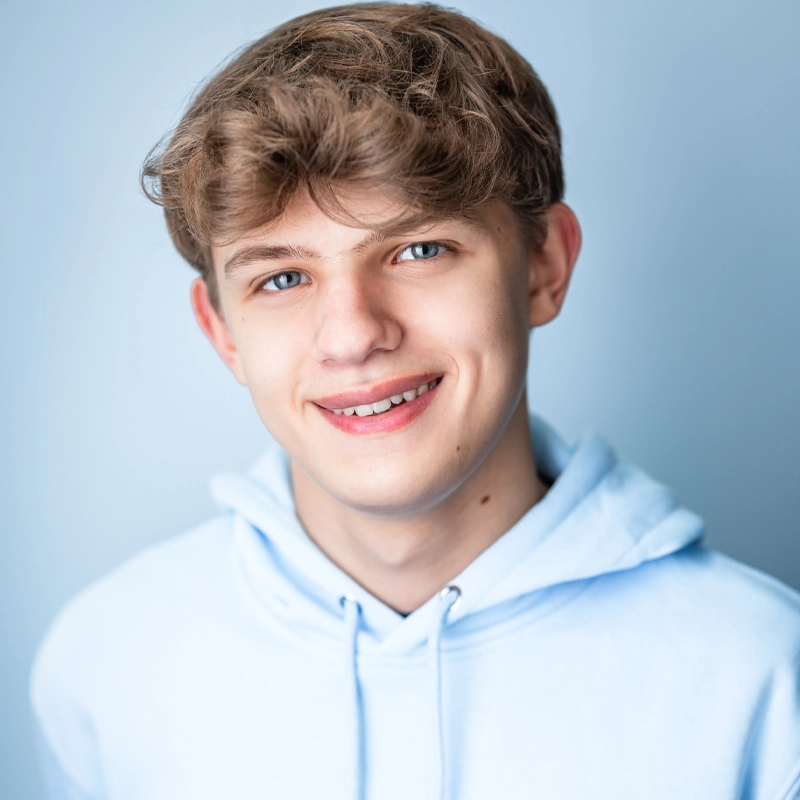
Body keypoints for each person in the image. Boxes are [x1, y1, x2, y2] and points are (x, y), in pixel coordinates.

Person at [30, 3, 800, 799]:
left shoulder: (764, 680)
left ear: (544, 267)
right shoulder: (105, 668)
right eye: (282, 278)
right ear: (222, 332)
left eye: (418, 249)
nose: (353, 334)